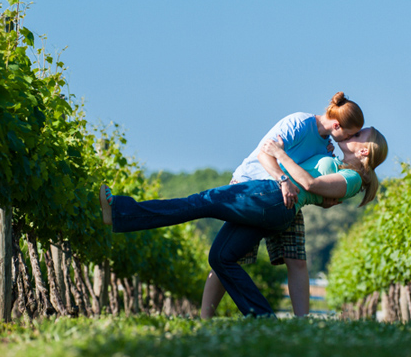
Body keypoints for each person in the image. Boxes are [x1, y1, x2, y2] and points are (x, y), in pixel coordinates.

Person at [99, 126, 388, 317]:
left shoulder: (352, 179)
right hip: (272, 207)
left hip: (271, 197)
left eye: (360, 134)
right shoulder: (337, 162)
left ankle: (122, 213)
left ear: (364, 151)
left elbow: (310, 184)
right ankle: (262, 316)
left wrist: (279, 154)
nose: (354, 132)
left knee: (199, 202)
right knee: (221, 257)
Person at [202, 92, 364, 319]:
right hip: (252, 188)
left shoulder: (326, 146)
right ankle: (205, 318)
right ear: (337, 125)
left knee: (296, 259)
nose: (352, 138)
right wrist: (283, 180)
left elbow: (312, 182)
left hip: (288, 199)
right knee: (229, 255)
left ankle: (301, 322)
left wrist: (323, 199)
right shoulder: (298, 123)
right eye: (351, 133)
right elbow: (264, 153)